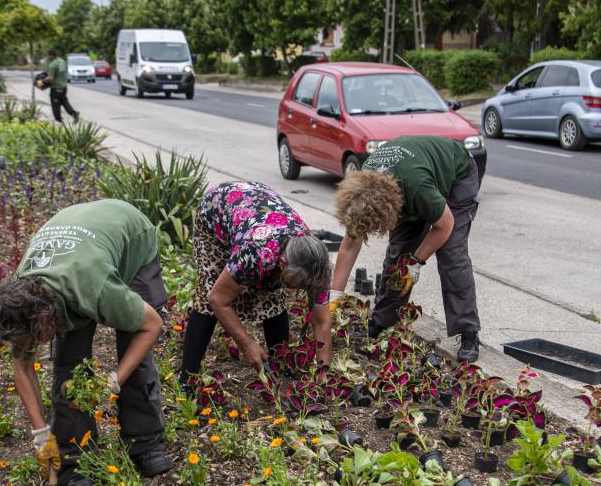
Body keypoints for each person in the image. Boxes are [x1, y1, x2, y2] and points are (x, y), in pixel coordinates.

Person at [0, 200, 173, 486]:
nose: (32, 348)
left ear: (45, 318)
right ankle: (73, 458)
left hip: (130, 235)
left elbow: (152, 325)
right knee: (68, 365)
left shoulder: (91, 288)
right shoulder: (21, 300)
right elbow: (22, 366)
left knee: (134, 346)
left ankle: (145, 443)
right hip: (78, 242)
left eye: (34, 340)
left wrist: (113, 381)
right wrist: (41, 435)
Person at [329, 135, 483, 362]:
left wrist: (416, 262)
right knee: (398, 255)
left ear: (389, 210)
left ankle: (468, 331)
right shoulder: (363, 190)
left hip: (457, 174)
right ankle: (382, 321)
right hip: (410, 182)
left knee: (452, 255)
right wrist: (333, 298)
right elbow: (350, 245)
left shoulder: (417, 187)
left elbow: (444, 225)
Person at [180, 181, 333, 378]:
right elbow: (218, 299)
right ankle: (187, 379)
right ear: (282, 263)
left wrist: (324, 374)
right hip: (217, 210)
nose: (298, 290)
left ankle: (280, 370)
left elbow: (322, 321)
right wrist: (247, 344)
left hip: (259, 209)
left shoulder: (316, 263)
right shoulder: (256, 252)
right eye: (297, 284)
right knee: (209, 291)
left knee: (274, 298)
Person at [35, 47, 80, 124]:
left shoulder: (52, 65)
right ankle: (74, 113)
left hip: (56, 88)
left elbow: (50, 78)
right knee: (64, 102)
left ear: (51, 56)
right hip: (64, 87)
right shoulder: (62, 61)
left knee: (55, 105)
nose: (47, 57)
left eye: (47, 56)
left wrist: (41, 81)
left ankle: (59, 121)